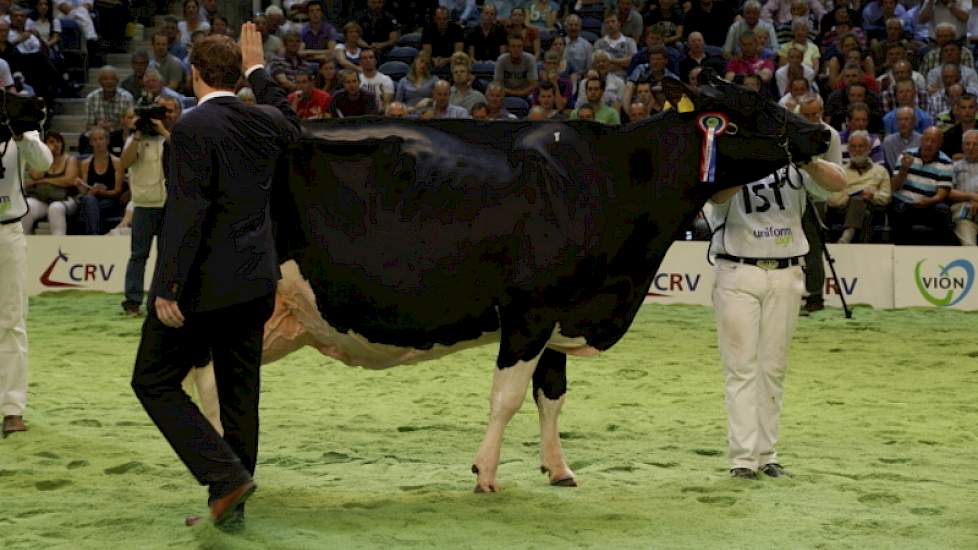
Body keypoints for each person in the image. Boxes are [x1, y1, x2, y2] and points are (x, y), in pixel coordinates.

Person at [131, 24, 302, 528]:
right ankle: (231, 506)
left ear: (195, 75)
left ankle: (224, 478)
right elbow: (292, 117)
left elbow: (187, 212)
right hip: (255, 281)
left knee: (153, 381)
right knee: (240, 396)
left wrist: (167, 285)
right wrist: (258, 70)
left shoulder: (191, 128)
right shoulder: (266, 121)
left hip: (204, 287)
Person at [707, 139, 846, 480]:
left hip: (787, 270)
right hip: (738, 269)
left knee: (773, 368)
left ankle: (767, 454)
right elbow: (715, 195)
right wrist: (751, 158)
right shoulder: (730, 152)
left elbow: (838, 185)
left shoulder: (795, 159)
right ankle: (742, 458)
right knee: (741, 368)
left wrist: (807, 159)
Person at [0, 121, 53, 437]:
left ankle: (12, 410)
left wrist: (21, 134)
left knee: (12, 321)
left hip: (8, 231)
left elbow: (44, 163)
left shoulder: (17, 125)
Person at [119, 96, 181, 316]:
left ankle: (161, 301)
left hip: (172, 205)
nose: (166, 115)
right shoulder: (137, 137)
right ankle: (133, 302)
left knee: (169, 257)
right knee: (139, 255)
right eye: (162, 110)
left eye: (170, 111)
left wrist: (164, 131)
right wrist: (136, 134)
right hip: (145, 204)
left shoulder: (178, 136)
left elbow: (186, 156)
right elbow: (124, 163)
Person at [890, 126, 954, 244]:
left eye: (933, 141)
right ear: (921, 140)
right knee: (898, 210)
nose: (928, 144)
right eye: (926, 139)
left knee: (943, 211)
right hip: (904, 202)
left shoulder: (946, 163)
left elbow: (941, 194)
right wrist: (904, 169)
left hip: (929, 204)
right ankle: (900, 253)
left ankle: (942, 254)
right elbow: (894, 187)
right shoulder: (907, 155)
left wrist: (929, 201)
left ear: (940, 143)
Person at [827, 130, 892, 243]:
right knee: (859, 204)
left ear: (869, 148)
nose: (857, 150)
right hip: (845, 209)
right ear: (849, 149)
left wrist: (873, 196)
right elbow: (832, 200)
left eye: (861, 146)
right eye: (854, 146)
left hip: (873, 207)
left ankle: (847, 236)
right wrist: (849, 197)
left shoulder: (881, 171)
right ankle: (861, 246)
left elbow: (886, 197)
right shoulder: (840, 172)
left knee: (865, 209)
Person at [21, 131, 79, 235]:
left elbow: (68, 180)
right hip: (43, 199)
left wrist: (43, 181)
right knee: (27, 205)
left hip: (65, 198)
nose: (56, 144)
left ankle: (58, 243)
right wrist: (47, 156)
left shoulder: (70, 159)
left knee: (55, 208)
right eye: (51, 142)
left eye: (58, 141)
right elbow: (35, 176)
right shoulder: (40, 161)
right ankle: (25, 240)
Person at [75, 127, 124, 234]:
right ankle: (94, 234)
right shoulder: (85, 163)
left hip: (110, 200)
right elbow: (84, 192)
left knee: (89, 206)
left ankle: (92, 235)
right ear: (91, 142)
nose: (98, 143)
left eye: (101, 139)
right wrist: (81, 187)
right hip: (91, 199)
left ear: (107, 141)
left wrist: (103, 192)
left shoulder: (117, 162)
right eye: (95, 140)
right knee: (89, 200)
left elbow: (117, 191)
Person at [949, 129, 978, 245]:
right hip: (964, 214)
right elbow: (949, 192)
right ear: (962, 146)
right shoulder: (954, 167)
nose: (970, 147)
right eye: (967, 143)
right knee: (969, 246)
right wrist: (972, 196)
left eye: (975, 144)